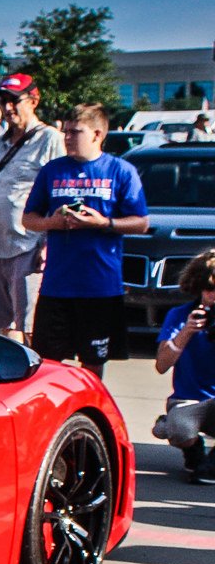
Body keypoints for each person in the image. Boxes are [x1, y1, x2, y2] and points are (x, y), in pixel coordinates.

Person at [21, 103, 150, 377]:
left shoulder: (120, 171)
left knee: (92, 363)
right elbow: (28, 218)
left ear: (97, 134)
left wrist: (103, 223)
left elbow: (141, 223)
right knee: (47, 363)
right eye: (65, 131)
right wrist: (52, 223)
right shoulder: (52, 171)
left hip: (100, 286)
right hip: (58, 285)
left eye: (75, 132)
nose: (67, 138)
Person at [0, 73, 66, 343]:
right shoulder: (1, 143)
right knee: (2, 328)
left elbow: (60, 195)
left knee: (30, 328)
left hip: (28, 247)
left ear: (34, 100)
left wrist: (49, 244)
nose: (8, 108)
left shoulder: (50, 139)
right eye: (4, 101)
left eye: (15, 100)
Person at [153, 250, 215, 482]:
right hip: (189, 400)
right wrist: (186, 332)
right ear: (199, 288)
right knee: (180, 430)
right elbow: (161, 365)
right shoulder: (180, 316)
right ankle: (193, 450)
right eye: (210, 290)